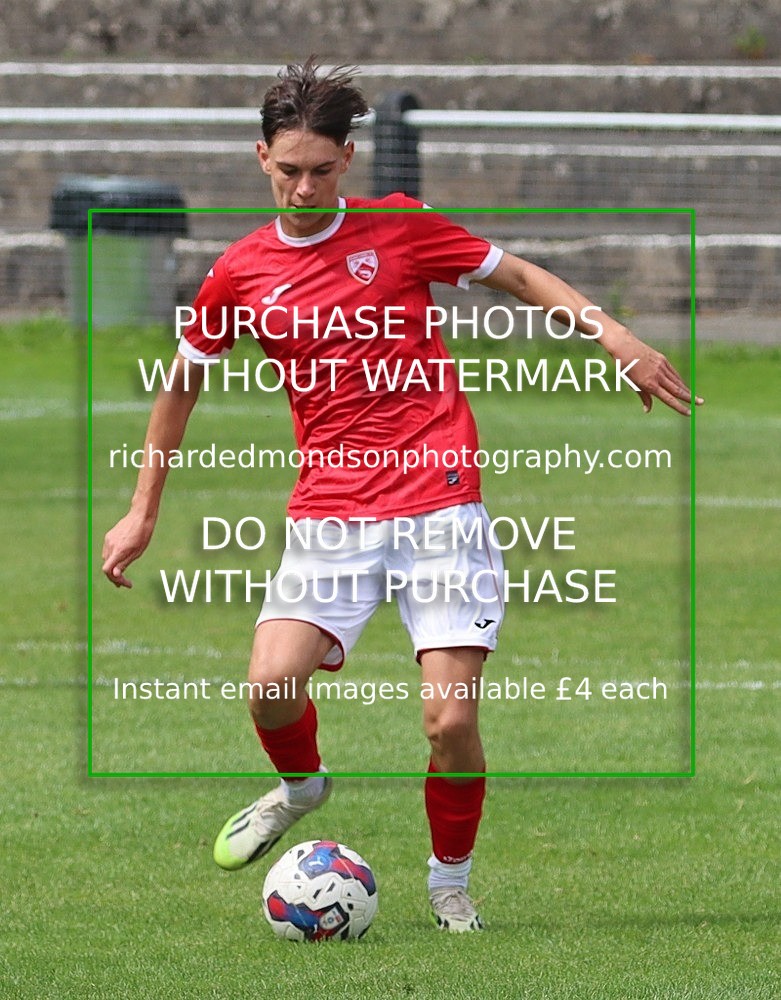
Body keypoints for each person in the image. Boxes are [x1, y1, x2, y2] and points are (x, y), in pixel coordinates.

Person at [102, 57, 701, 933]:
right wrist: (143, 508)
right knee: (268, 685)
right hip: (332, 511)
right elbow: (180, 384)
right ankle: (301, 787)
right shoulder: (240, 271)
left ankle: (448, 882)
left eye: (320, 168)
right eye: (287, 168)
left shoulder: (401, 229)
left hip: (439, 498)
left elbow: (521, 276)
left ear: (346, 160)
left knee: (447, 718)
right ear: (259, 158)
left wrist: (617, 338)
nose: (303, 186)